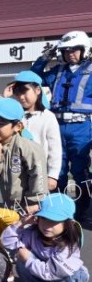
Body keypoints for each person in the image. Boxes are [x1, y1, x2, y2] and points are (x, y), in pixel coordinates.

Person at [31, 31, 92, 219]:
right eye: (66, 51)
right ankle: (59, 208)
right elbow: (34, 77)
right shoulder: (58, 71)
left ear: (85, 50)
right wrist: (44, 58)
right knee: (57, 169)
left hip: (81, 127)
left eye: (75, 50)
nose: (70, 54)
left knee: (80, 170)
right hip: (56, 126)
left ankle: (83, 208)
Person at [1, 193, 88, 282]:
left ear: (68, 223)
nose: (47, 226)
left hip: (68, 280)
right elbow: (7, 242)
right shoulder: (33, 233)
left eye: (54, 221)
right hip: (44, 277)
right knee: (21, 253)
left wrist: (28, 259)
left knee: (63, 270)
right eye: (44, 219)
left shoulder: (69, 245)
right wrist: (20, 223)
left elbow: (52, 273)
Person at [0, 98, 48, 213]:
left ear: (17, 126)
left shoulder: (27, 147)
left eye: (1, 124)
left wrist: (35, 202)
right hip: (9, 202)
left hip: (30, 205)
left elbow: (38, 173)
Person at [4, 71, 62, 192]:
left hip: (40, 173)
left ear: (37, 90)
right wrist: (5, 100)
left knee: (37, 206)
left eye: (24, 91)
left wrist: (53, 175)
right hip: (16, 173)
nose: (20, 97)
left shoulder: (47, 117)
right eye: (17, 92)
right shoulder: (14, 116)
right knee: (17, 207)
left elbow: (55, 149)